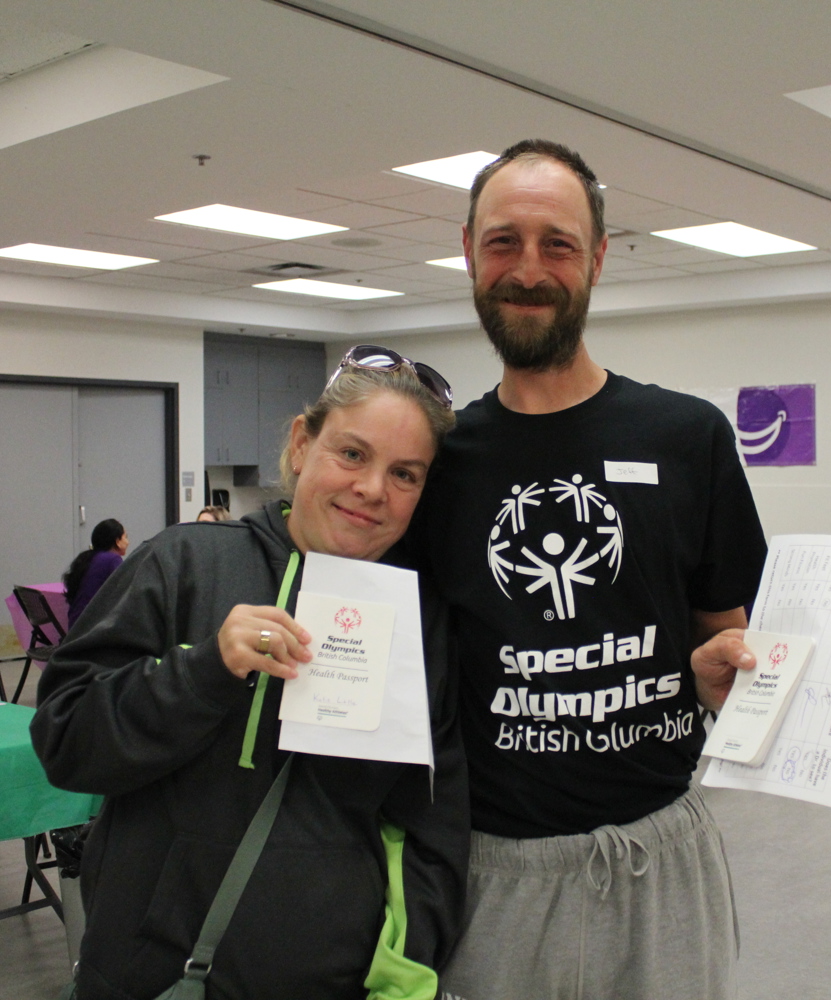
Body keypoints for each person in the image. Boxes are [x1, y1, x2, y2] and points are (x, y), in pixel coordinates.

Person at [414, 140, 769, 1000]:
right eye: (503, 242)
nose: (527, 269)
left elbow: (727, 641)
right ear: (467, 250)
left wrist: (726, 676)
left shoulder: (687, 438)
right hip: (495, 877)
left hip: (662, 862)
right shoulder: (437, 460)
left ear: (598, 259)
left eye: (557, 244)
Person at [31, 348, 468, 1000]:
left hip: (326, 983)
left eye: (405, 474)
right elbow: (67, 742)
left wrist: (401, 970)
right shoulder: (183, 564)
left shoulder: (419, 620)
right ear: (301, 443)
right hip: (149, 977)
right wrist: (203, 669)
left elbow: (435, 829)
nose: (373, 488)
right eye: (352, 454)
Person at [63, 518, 129, 629]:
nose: (128, 542)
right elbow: (124, 593)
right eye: (125, 537)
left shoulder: (87, 558)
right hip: (93, 631)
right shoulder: (112, 560)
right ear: (117, 541)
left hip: (75, 628)